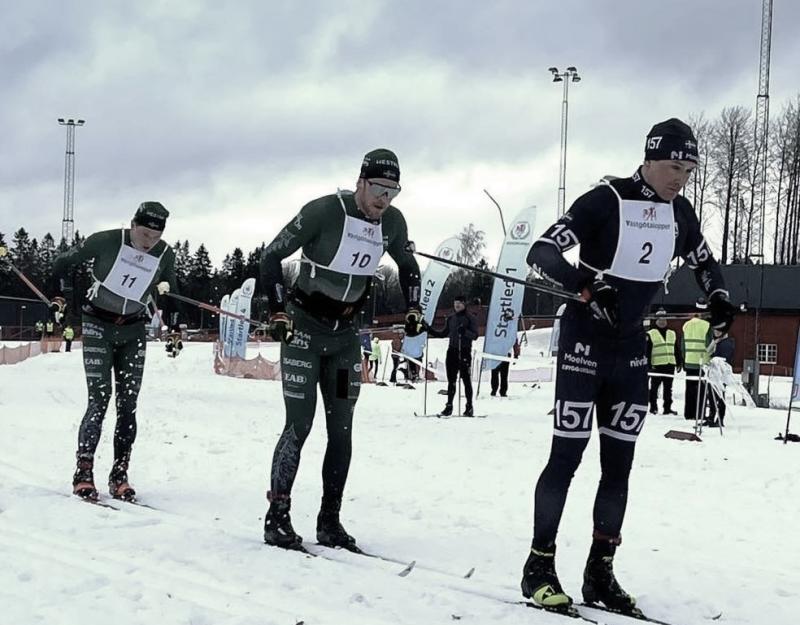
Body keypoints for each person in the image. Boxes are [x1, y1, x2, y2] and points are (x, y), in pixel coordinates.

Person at [522, 118, 737, 614]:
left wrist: (719, 296)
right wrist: (586, 285)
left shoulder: (680, 212)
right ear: (649, 158)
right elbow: (542, 251)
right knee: (566, 458)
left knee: (618, 467)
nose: (679, 178)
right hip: (584, 344)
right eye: (671, 167)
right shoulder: (606, 199)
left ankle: (600, 572)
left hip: (632, 352)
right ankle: (538, 566)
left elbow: (705, 262)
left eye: (687, 169)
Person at [260, 148, 422, 551]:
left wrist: (415, 305)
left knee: (342, 430)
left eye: (392, 191)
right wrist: (278, 311)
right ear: (360, 182)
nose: (383, 200)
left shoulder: (393, 223)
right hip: (304, 330)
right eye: (378, 189)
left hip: (346, 338)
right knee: (299, 424)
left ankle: (329, 521)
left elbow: (408, 264)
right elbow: (271, 254)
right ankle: (277, 516)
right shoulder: (324, 211)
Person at [52, 202, 178, 502]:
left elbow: (171, 289)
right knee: (99, 399)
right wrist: (58, 296)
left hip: (134, 329)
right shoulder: (105, 240)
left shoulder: (165, 253)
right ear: (133, 225)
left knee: (128, 403)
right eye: (144, 233)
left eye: (155, 237)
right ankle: (84, 471)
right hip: (97, 324)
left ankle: (119, 473)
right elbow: (61, 263)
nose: (149, 242)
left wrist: (173, 324)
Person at [425, 295, 479, 416]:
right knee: (451, 380)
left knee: (466, 380)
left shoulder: (470, 318)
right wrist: (430, 330)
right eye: (455, 304)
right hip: (452, 351)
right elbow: (444, 333)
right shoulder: (451, 318)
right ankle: (449, 406)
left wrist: (465, 332)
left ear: (464, 304)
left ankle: (469, 406)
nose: (457, 306)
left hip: (464, 350)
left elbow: (475, 335)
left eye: (459, 304)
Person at [646, 309, 682, 415]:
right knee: (654, 388)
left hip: (669, 364)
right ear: (656, 320)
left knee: (668, 388)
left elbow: (676, 349)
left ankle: (667, 408)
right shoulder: (651, 334)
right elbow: (647, 351)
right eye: (660, 319)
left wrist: (679, 362)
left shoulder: (672, 333)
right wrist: (648, 365)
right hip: (656, 365)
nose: (662, 321)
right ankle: (653, 407)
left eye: (664, 318)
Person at [682, 299, 712, 421]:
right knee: (701, 390)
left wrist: (685, 359)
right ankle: (699, 414)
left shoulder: (686, 325)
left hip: (689, 362)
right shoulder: (707, 326)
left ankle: (688, 413)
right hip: (702, 363)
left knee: (689, 389)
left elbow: (683, 345)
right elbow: (710, 345)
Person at [706, 333, 735, 427]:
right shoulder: (716, 342)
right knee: (711, 396)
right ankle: (711, 417)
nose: (716, 333)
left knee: (720, 397)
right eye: (715, 331)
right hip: (713, 373)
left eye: (719, 331)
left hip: (721, 374)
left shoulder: (726, 343)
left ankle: (720, 419)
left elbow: (723, 359)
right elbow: (707, 354)